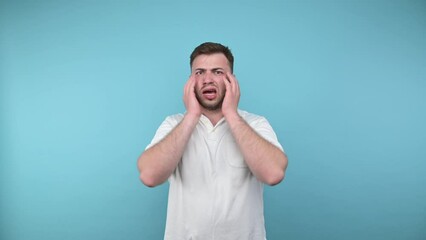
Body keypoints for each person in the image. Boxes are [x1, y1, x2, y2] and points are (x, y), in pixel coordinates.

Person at [137, 42, 288, 240]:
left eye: (217, 72)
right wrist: (191, 116)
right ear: (190, 81)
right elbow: (149, 176)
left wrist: (231, 114)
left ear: (231, 80)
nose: (207, 79)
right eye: (199, 72)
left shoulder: (256, 124)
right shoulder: (173, 124)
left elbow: (274, 174)